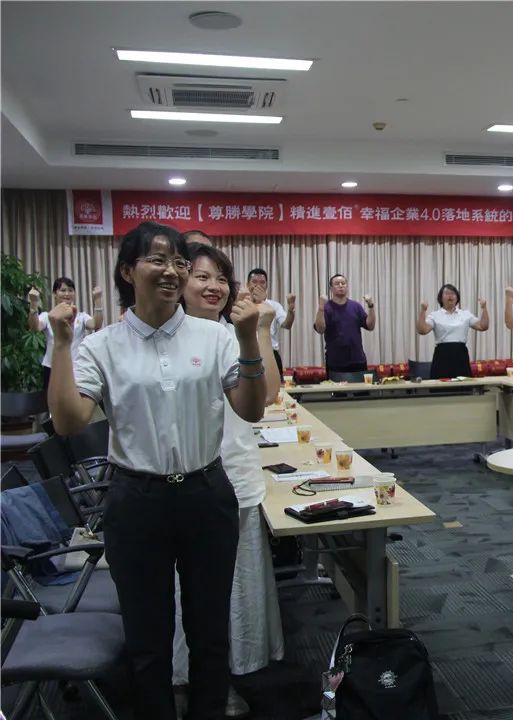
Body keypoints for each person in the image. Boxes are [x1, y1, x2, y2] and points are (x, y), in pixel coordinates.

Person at [47, 221, 267, 719]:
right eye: (158, 260)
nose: (172, 271)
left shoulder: (214, 336)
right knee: (147, 639)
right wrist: (61, 344)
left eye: (179, 262)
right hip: (136, 500)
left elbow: (251, 409)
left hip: (206, 493)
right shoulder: (102, 345)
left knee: (210, 634)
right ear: (128, 271)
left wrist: (249, 340)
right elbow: (68, 421)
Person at [176, 245, 284, 717]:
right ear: (179, 281)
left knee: (234, 587)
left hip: (236, 472)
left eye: (221, 278)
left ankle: (225, 679)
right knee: (186, 591)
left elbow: (271, 393)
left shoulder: (232, 332)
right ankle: (182, 679)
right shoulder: (168, 336)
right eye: (201, 276)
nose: (213, 286)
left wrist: (259, 329)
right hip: (185, 481)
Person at [27, 278, 103, 388]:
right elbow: (35, 327)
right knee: (53, 399)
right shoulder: (48, 316)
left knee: (75, 398)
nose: (67, 294)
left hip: (77, 368)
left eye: (70, 290)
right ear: (55, 294)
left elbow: (96, 324)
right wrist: (33, 304)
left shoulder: (81, 316)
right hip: (52, 368)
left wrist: (98, 300)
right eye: (63, 290)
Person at [416, 283, 489, 378]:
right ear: (441, 298)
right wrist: (423, 310)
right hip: (442, 355)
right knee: (440, 385)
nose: (450, 296)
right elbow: (422, 330)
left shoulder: (465, 314)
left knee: (463, 385)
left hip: (460, 354)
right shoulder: (434, 315)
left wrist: (484, 308)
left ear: (457, 298)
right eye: (447, 293)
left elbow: (483, 326)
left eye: (453, 293)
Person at [314, 274, 375, 374]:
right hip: (335, 362)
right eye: (337, 284)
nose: (341, 285)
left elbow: (370, 326)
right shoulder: (327, 308)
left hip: (358, 360)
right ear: (331, 289)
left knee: (361, 385)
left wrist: (371, 306)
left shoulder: (356, 306)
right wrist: (321, 308)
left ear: (347, 286)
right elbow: (320, 329)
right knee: (336, 385)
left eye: (343, 283)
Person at [247, 268, 295, 378]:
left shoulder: (274, 305)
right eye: (254, 282)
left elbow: (287, 325)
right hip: (248, 354)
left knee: (275, 388)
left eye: (262, 282)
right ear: (248, 284)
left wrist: (291, 310)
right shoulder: (242, 304)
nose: (258, 286)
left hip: (271, 353)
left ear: (267, 285)